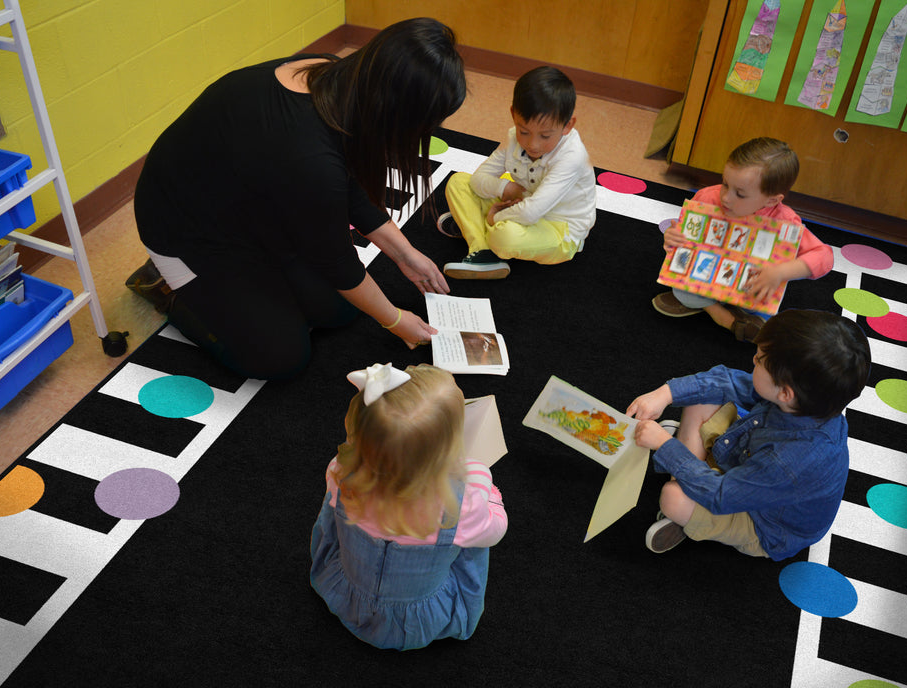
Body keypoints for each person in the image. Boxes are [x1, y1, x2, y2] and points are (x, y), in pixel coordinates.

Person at [128, 18, 466, 379]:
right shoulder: (308, 156)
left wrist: (404, 253)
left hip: (253, 205)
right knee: (280, 356)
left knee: (341, 310)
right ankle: (167, 288)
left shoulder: (333, 75)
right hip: (185, 231)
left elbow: (347, 182)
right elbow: (337, 260)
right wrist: (395, 320)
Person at [626, 309, 871, 559]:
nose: (753, 359)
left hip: (765, 524)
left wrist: (665, 445)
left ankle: (686, 495)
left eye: (760, 360)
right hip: (750, 468)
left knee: (672, 498)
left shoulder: (787, 461)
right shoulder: (807, 402)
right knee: (702, 398)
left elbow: (721, 495)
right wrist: (665, 394)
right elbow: (729, 382)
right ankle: (689, 472)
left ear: (785, 393)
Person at [310, 363, 507, 650]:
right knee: (474, 537)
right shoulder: (460, 505)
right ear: (443, 452)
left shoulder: (340, 472)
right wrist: (481, 476)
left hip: (347, 594)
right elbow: (496, 529)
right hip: (417, 618)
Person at [652, 137, 834, 342]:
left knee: (762, 303)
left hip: (749, 286)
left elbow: (825, 256)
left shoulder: (785, 222)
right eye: (725, 184)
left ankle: (723, 310)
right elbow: (685, 238)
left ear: (772, 200)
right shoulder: (707, 198)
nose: (726, 197)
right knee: (681, 289)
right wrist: (672, 238)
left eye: (740, 194)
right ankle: (724, 317)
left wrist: (780, 272)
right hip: (707, 275)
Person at [440, 66, 596, 279]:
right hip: (522, 204)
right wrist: (505, 188)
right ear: (513, 114)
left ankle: (477, 228)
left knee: (505, 237)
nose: (532, 144)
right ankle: (483, 250)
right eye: (524, 131)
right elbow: (478, 179)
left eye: (545, 136)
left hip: (559, 228)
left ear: (568, 125)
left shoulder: (572, 156)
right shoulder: (513, 136)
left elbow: (531, 213)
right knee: (458, 182)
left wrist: (495, 218)